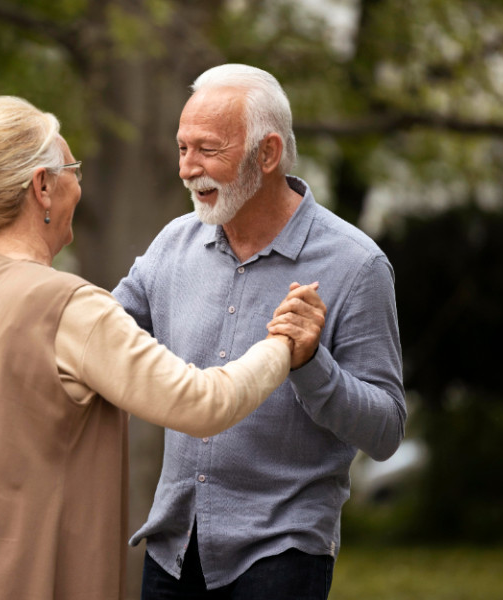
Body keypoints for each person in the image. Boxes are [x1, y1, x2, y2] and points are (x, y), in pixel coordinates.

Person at [0, 95, 315, 600]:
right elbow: (203, 402)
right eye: (72, 168)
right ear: (43, 187)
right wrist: (282, 345)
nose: (80, 182)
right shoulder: (68, 309)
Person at [113, 64, 407, 599]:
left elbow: (386, 431)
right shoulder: (172, 245)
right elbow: (103, 332)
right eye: (182, 149)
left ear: (267, 154)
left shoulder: (357, 265)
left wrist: (312, 365)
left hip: (282, 553)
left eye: (207, 149)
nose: (187, 168)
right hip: (173, 549)